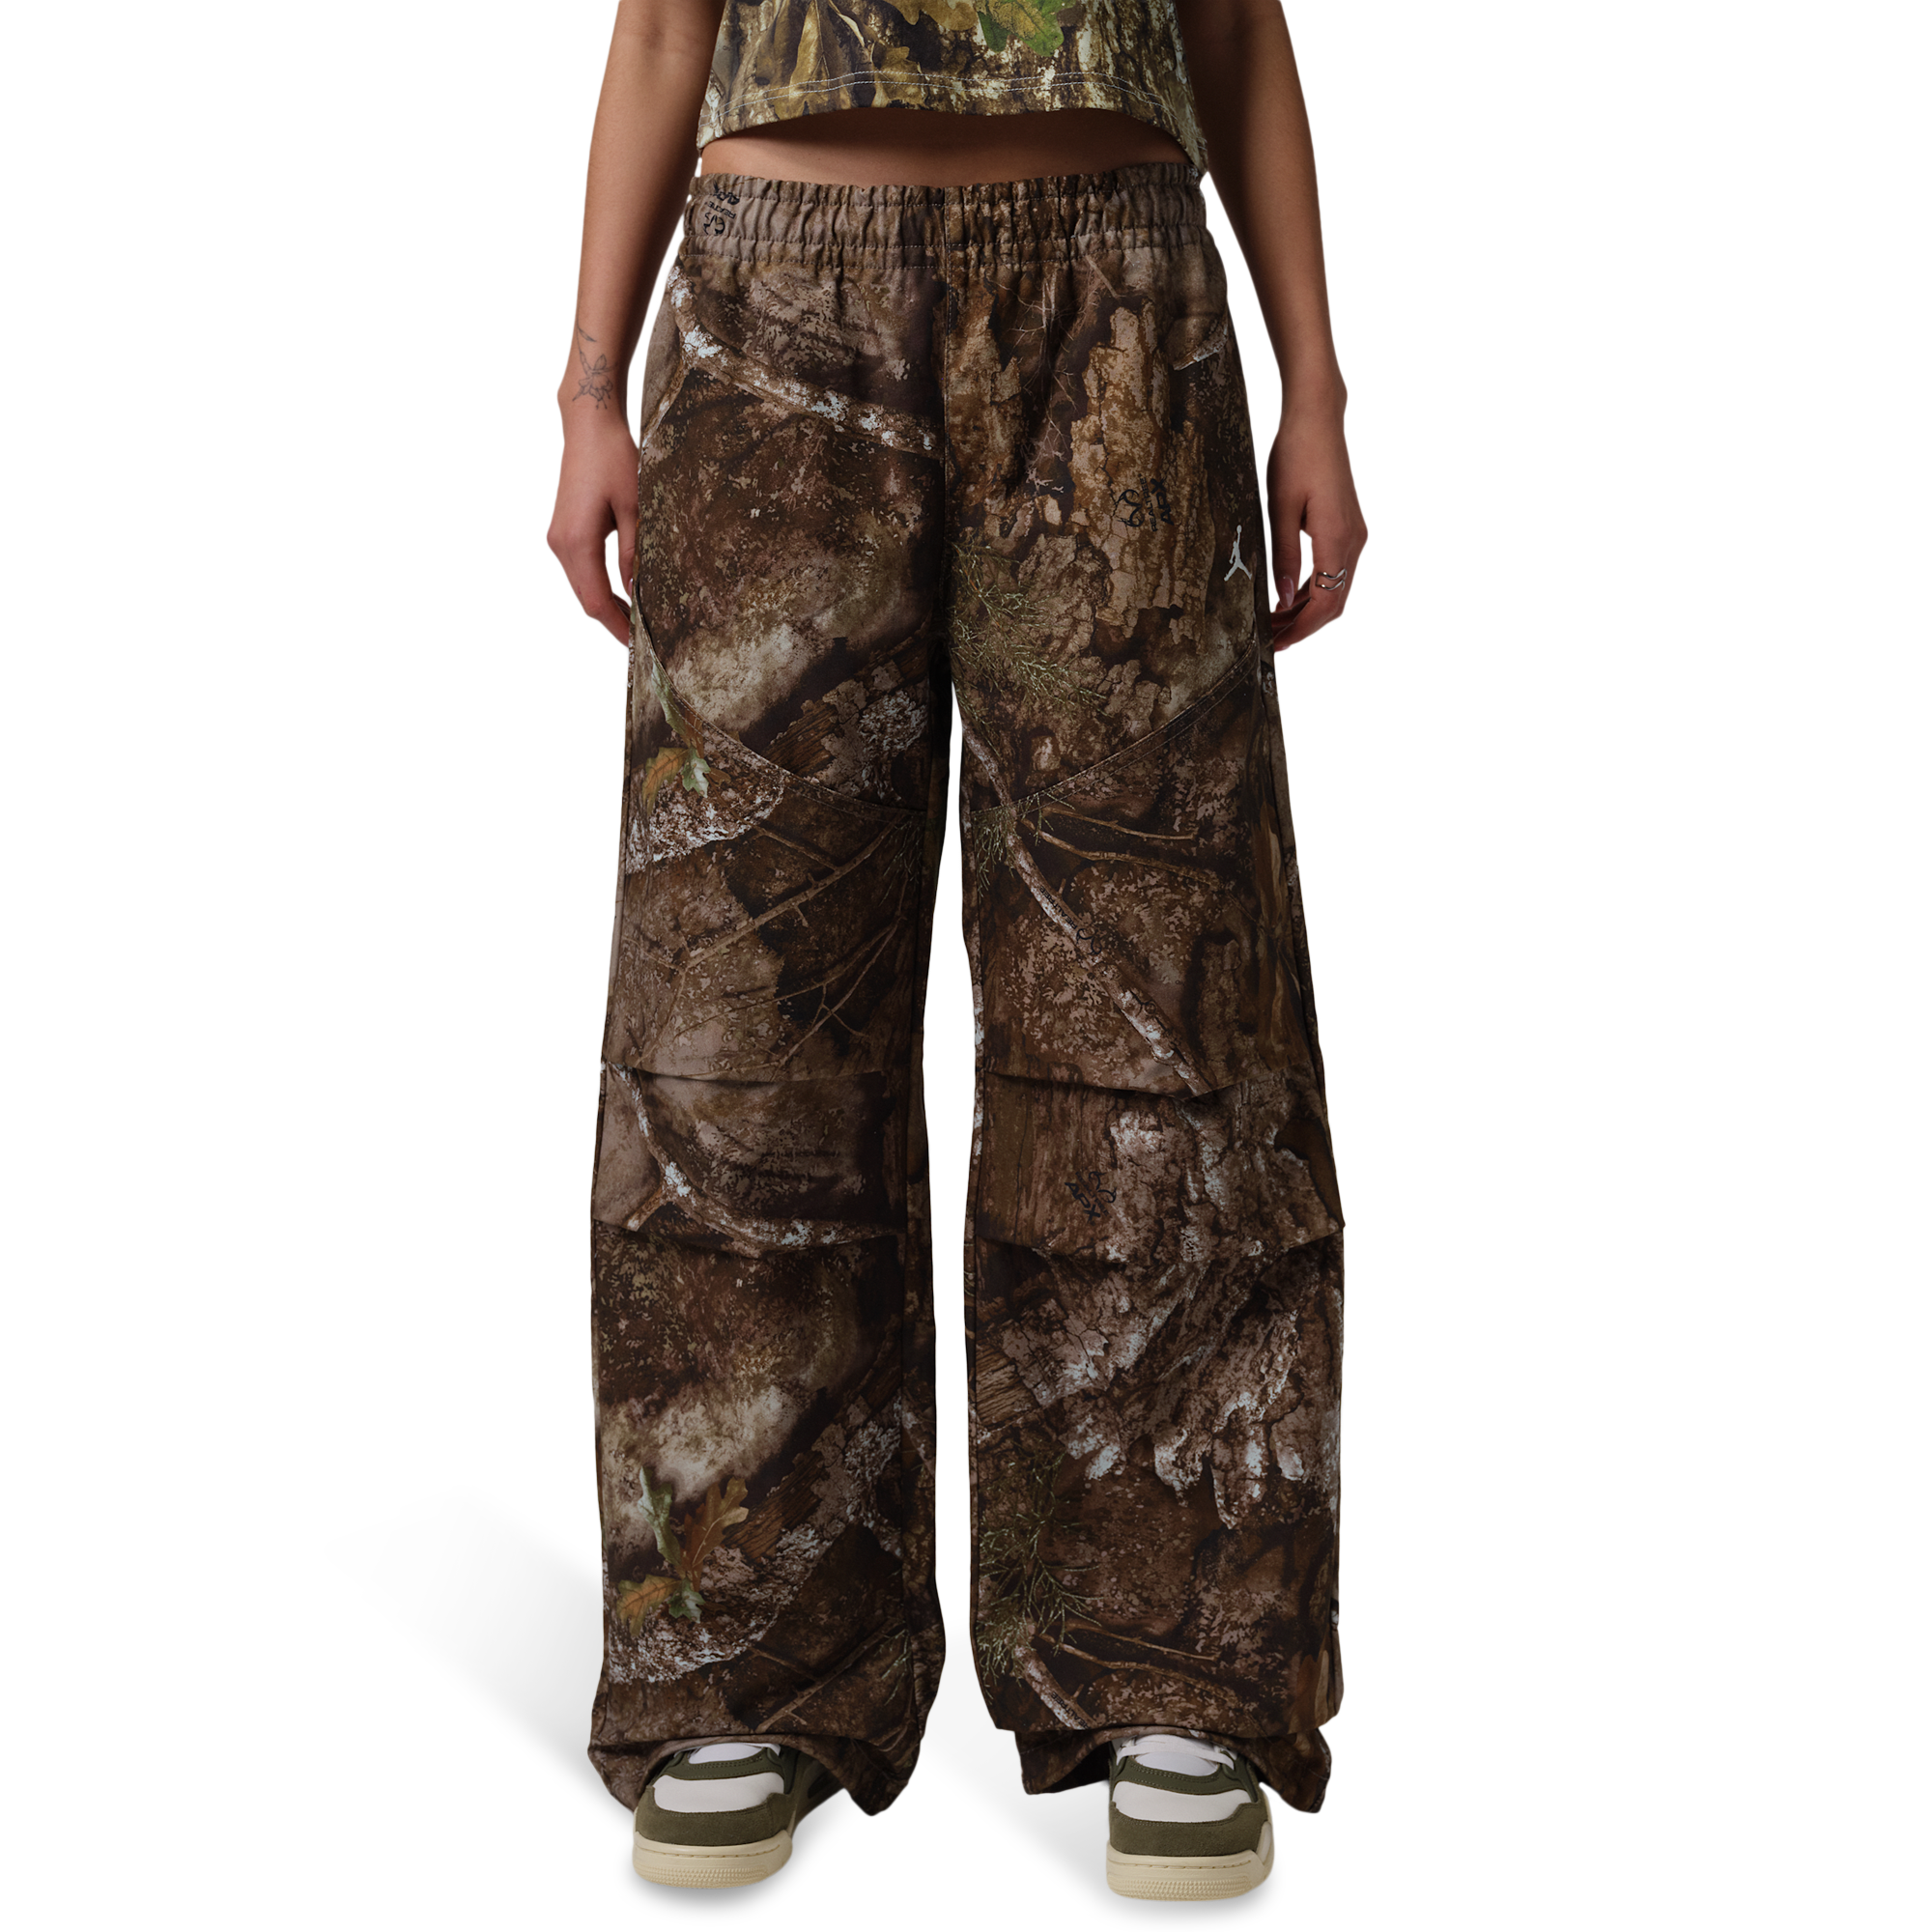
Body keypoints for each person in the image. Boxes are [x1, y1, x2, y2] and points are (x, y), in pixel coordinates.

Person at [549, 0, 1366, 1902]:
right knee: (734, 1017)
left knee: (1165, 992)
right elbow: (662, 22)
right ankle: (743, 1670)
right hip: (766, 302)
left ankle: (1176, 1672)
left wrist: (1314, 389)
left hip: (1116, 295)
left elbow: (1237, 26)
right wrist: (588, 382)